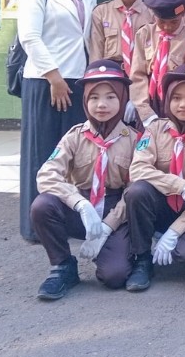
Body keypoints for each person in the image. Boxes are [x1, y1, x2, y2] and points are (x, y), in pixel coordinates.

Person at [30, 60, 139, 300]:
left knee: (115, 276)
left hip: (115, 210)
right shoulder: (74, 136)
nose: (101, 105)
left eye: (111, 97)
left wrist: (108, 226)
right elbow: (47, 174)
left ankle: (117, 250)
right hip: (80, 207)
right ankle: (62, 266)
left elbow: (134, 189)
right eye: (94, 98)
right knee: (43, 205)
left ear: (123, 98)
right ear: (85, 101)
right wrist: (79, 203)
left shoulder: (134, 140)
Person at [18, 0, 97, 242]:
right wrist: (54, 77)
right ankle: (37, 225)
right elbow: (29, 37)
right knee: (44, 153)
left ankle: (69, 221)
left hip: (78, 82)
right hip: (45, 82)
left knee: (73, 156)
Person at [124, 64, 185, 292]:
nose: (183, 104)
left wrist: (175, 231)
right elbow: (138, 169)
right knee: (137, 191)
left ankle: (175, 240)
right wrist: (179, 184)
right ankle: (142, 259)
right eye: (176, 98)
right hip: (160, 206)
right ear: (167, 100)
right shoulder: (155, 130)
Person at [129, 0, 185, 130]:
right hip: (148, 99)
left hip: (176, 99)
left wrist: (179, 109)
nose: (167, 27)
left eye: (174, 22)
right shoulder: (144, 34)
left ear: (183, 13)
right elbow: (137, 74)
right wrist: (143, 110)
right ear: (154, 16)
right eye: (161, 22)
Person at [89, 0, 153, 75]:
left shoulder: (152, 13)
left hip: (143, 74)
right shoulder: (101, 12)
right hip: (111, 73)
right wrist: (96, 76)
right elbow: (96, 50)